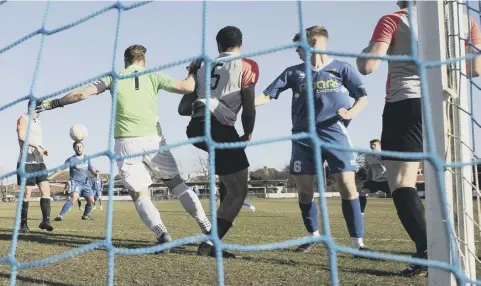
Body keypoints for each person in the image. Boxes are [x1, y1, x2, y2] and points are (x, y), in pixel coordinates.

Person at [37, 44, 212, 251]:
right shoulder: (153, 75)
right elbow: (188, 87)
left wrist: (53, 103)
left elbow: (83, 94)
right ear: (143, 60)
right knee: (177, 185)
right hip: (154, 140)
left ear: (125, 60)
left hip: (126, 143)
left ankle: (162, 233)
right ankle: (208, 228)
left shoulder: (114, 77)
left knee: (139, 194)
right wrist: (193, 70)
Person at [355, 0, 481, 276]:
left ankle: (427, 251)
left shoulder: (393, 18)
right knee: (446, 179)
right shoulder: (464, 20)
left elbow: (368, 67)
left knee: (401, 182)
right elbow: (474, 68)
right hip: (450, 105)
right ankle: (457, 252)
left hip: (407, 104)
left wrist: (364, 52)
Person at [256, 25, 369, 254]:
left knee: (347, 186)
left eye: (299, 47)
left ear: (314, 43)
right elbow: (267, 96)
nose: (297, 52)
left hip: (334, 134)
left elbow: (363, 97)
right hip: (302, 138)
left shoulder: (342, 69)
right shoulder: (293, 72)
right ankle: (313, 236)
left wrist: (351, 113)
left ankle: (358, 243)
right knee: (305, 191)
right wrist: (243, 102)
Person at [179, 26, 258, 258]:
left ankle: (213, 240)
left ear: (218, 46)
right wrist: (248, 133)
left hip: (195, 128)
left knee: (230, 185)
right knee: (239, 190)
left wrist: (194, 74)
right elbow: (249, 105)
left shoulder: (204, 67)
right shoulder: (246, 65)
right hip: (219, 128)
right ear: (241, 43)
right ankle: (210, 245)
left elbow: (183, 109)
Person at [16, 99, 54, 233]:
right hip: (25, 164)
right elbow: (22, 136)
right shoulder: (23, 119)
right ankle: (23, 224)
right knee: (27, 193)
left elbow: (38, 141)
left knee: (46, 191)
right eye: (38, 108)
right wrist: (37, 146)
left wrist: (42, 149)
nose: (40, 111)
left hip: (39, 163)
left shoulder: (39, 122)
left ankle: (45, 221)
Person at [51, 141, 97, 220]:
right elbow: (61, 169)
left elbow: (90, 168)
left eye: (80, 146)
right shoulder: (71, 160)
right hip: (76, 182)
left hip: (86, 183)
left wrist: (95, 172)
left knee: (91, 201)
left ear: (83, 147)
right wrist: (52, 176)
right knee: (74, 198)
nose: (79, 148)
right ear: (74, 148)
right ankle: (60, 216)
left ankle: (85, 216)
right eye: (77, 147)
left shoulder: (87, 158)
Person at [359, 139, 391, 215]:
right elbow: (370, 168)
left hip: (386, 180)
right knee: (362, 192)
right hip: (374, 180)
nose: (372, 146)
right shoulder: (368, 156)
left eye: (374, 145)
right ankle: (361, 213)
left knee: (398, 195)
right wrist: (367, 180)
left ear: (380, 146)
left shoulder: (385, 155)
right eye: (371, 145)